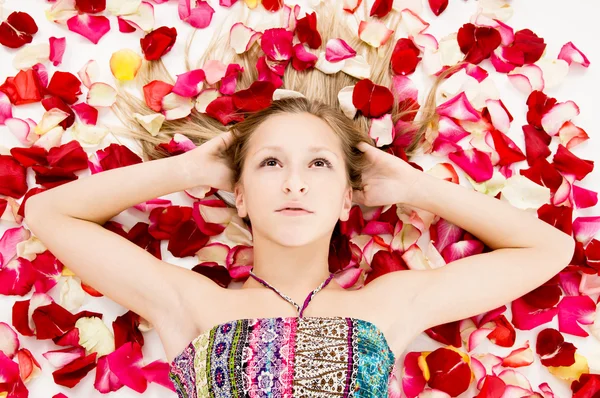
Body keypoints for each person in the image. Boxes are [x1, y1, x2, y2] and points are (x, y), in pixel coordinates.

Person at [24, 0, 575, 397]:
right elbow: (47, 212)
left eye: (319, 164)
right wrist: (187, 169)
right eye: (270, 164)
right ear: (238, 196)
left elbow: (549, 251)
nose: (295, 183)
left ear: (346, 200)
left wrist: (415, 186)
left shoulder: (387, 305)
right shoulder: (191, 304)